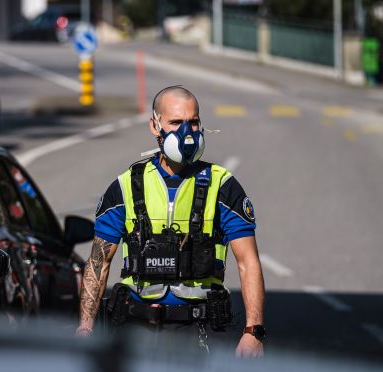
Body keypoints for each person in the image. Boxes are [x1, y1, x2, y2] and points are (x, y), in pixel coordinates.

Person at [75, 86, 265, 357]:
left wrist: (253, 331)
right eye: (176, 123)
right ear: (155, 126)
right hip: (136, 329)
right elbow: (98, 262)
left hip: (198, 332)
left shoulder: (223, 186)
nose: (186, 133)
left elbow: (248, 263)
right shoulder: (126, 186)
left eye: (194, 123)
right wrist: (85, 327)